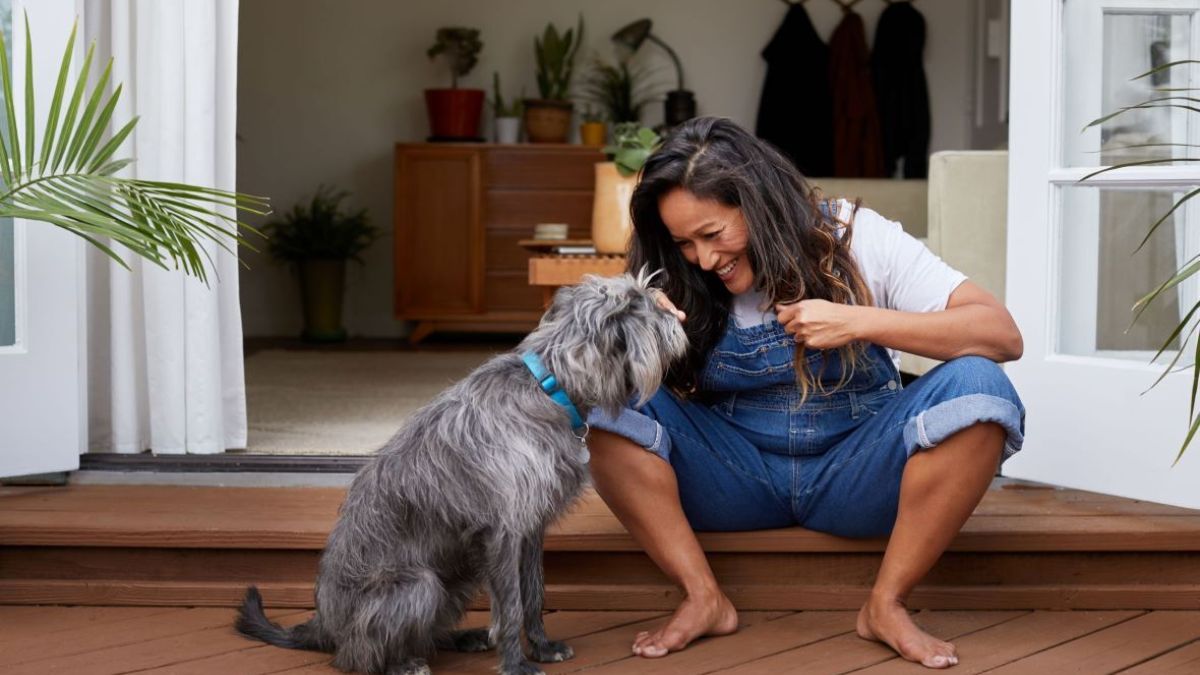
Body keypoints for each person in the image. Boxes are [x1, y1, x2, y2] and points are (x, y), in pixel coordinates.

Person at [586, 117, 1025, 670]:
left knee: (980, 383)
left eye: (713, 234)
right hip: (731, 477)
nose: (701, 258)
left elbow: (1000, 334)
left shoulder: (857, 236)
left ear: (759, 203)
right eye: (684, 243)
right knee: (600, 391)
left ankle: (885, 604)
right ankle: (703, 596)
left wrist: (860, 321)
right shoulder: (674, 271)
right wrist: (635, 328)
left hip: (858, 476)